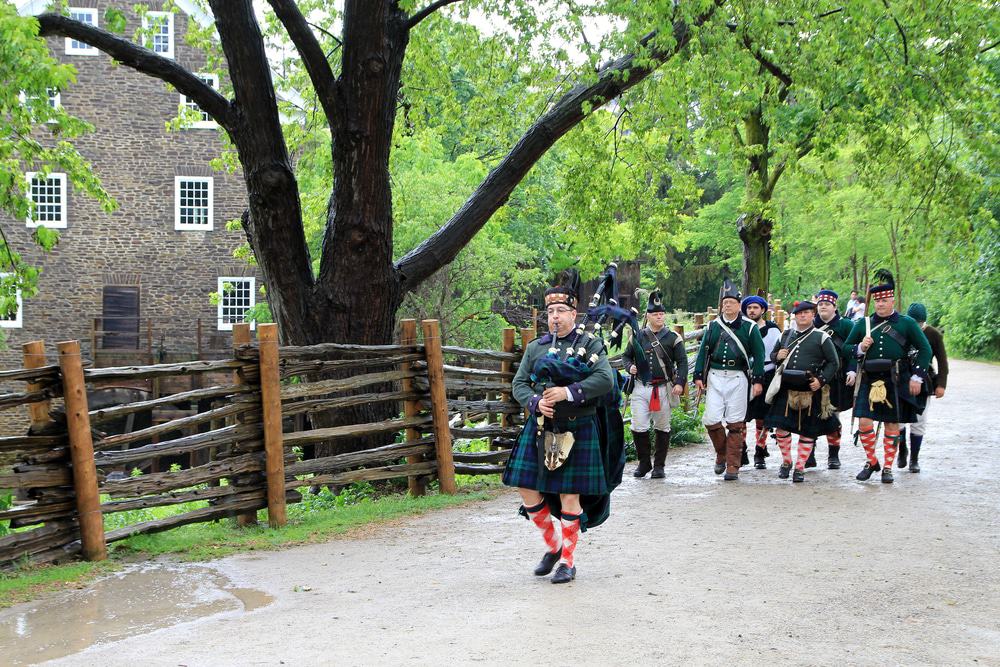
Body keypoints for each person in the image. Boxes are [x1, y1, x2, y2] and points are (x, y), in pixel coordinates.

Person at [503, 279, 617, 583]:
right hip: (541, 427)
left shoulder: (590, 345)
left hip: (578, 427)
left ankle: (568, 561)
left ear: (573, 312)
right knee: (526, 487)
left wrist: (568, 393)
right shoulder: (535, 348)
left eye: (560, 310)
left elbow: (605, 380)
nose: (554, 316)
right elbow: (519, 384)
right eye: (550, 311)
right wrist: (536, 401)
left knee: (569, 495)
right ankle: (553, 546)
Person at [843, 271, 933, 483]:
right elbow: (846, 348)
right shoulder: (863, 324)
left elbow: (925, 349)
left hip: (896, 377)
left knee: (893, 425)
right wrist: (860, 348)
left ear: (892, 300)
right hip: (870, 378)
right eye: (877, 301)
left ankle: (888, 468)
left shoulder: (907, 323)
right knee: (864, 422)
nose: (881, 304)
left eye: (884, 300)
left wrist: (917, 376)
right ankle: (872, 461)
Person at [693, 279, 765, 481]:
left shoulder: (750, 328)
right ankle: (722, 453)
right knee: (710, 419)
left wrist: (758, 380)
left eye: (731, 302)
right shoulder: (713, 326)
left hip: (738, 378)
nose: (727, 305)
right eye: (725, 303)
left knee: (735, 423)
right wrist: (699, 375)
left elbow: (759, 355)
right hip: (715, 377)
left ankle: (733, 466)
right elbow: (703, 352)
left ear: (738, 305)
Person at [765, 301, 841, 482]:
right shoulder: (786, 335)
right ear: (795, 316)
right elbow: (773, 356)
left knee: (808, 431)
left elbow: (834, 363)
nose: (803, 316)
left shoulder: (821, 337)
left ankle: (799, 467)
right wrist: (777, 356)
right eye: (799, 313)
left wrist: (821, 380)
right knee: (781, 428)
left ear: (812, 315)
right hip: (786, 387)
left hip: (810, 389)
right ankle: (786, 462)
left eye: (807, 313)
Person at [623, 289, 688, 479]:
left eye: (661, 314)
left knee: (662, 426)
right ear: (648, 316)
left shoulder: (673, 338)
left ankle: (659, 466)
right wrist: (630, 367)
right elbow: (627, 356)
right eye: (655, 314)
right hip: (640, 387)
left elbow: (682, 362)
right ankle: (644, 464)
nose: (659, 317)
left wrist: (680, 383)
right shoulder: (638, 336)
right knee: (638, 425)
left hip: (663, 388)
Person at [808, 289, 857, 469]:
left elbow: (852, 350)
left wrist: (852, 370)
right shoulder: (810, 324)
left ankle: (833, 455)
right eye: (820, 305)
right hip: (813, 377)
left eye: (827, 304)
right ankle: (809, 454)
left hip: (836, 377)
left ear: (834, 307)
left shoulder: (846, 325)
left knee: (833, 416)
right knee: (810, 415)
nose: (823, 307)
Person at [897, 303, 948, 472]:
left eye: (919, 323)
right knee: (899, 420)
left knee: (920, 420)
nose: (917, 326)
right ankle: (902, 450)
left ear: (923, 322)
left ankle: (914, 459)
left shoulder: (933, 334)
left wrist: (941, 384)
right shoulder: (902, 329)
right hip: (902, 378)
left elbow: (942, 360)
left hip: (924, 380)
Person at [741, 295, 781, 469]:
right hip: (745, 375)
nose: (752, 311)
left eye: (755, 308)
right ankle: (741, 449)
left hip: (768, 373)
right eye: (749, 308)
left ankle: (760, 449)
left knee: (762, 417)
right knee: (741, 416)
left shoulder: (773, 329)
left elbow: (778, 352)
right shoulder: (742, 328)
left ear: (763, 310)